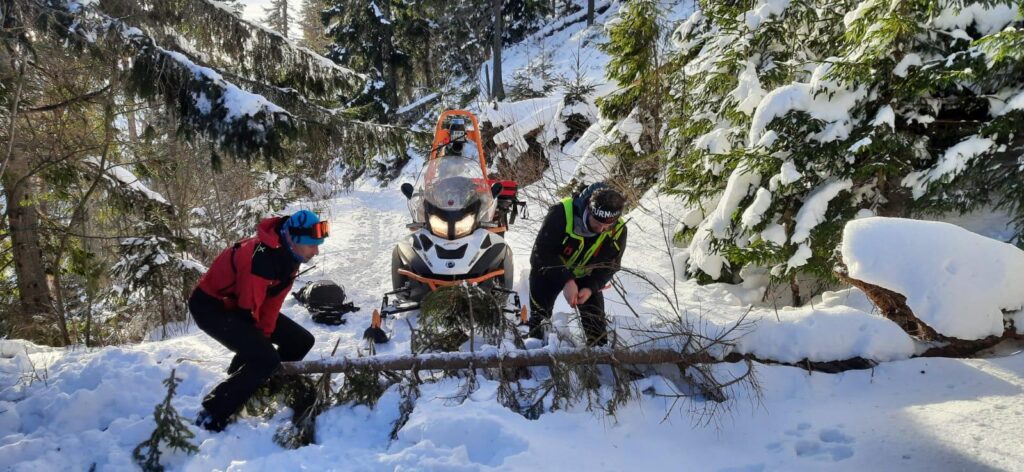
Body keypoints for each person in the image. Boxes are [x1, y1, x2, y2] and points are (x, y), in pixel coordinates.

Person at [190, 210, 328, 432]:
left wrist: (260, 339)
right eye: (312, 245)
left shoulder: (289, 254)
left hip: (241, 305)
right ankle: (213, 412)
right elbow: (248, 311)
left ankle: (261, 386)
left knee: (301, 341)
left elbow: (272, 303)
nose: (316, 251)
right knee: (265, 358)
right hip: (211, 308)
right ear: (294, 240)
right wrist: (253, 349)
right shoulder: (261, 258)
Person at [528, 183, 628, 346]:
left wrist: (590, 288)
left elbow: (610, 265)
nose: (601, 229)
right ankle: (535, 346)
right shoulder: (561, 213)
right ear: (588, 209)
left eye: (607, 226)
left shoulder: (618, 230)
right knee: (539, 316)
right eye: (597, 223)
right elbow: (541, 254)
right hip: (551, 269)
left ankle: (598, 352)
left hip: (586, 275)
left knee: (596, 324)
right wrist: (567, 280)